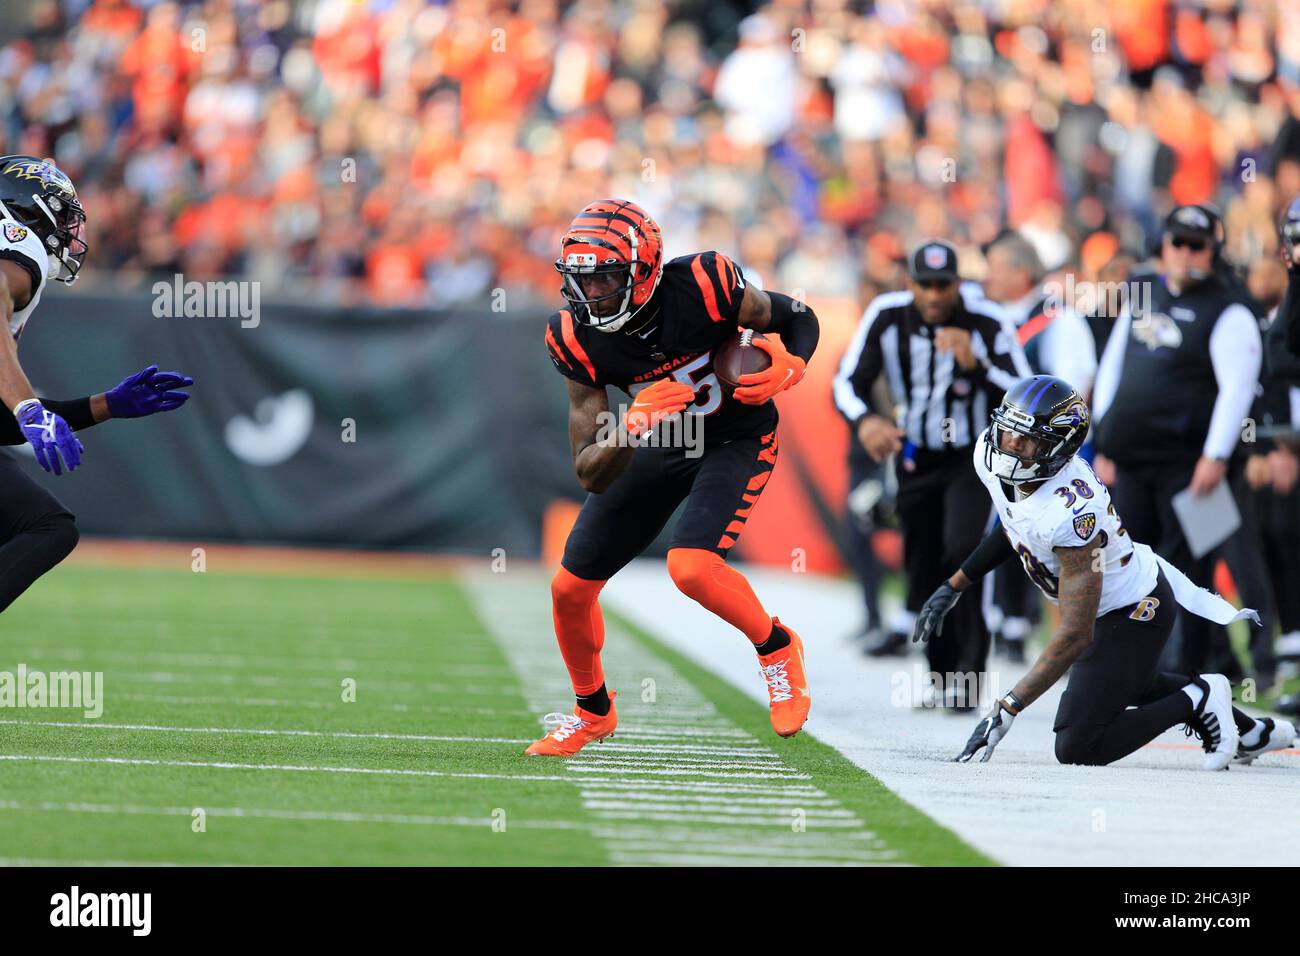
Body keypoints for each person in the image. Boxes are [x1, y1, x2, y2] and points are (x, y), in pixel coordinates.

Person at [529, 199, 820, 756]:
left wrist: (795, 364)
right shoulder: (572, 335)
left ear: (643, 273)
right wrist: (631, 426)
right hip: (662, 440)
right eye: (581, 281)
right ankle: (592, 714)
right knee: (569, 589)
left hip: (736, 435)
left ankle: (777, 646)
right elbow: (589, 470)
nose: (591, 295)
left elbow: (796, 317)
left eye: (606, 279)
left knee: (691, 568)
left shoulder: (705, 284)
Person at [913, 375, 1291, 768]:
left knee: (1078, 744)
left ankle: (1199, 698)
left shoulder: (1071, 512)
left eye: (1026, 441)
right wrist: (954, 585)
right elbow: (1014, 526)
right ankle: (1252, 732)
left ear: (1058, 448)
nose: (1010, 446)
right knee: (1132, 681)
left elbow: (1076, 633)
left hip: (1132, 610)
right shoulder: (993, 459)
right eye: (1008, 432)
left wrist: (1007, 707)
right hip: (1107, 609)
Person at [834, 239, 1030, 708]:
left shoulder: (987, 320)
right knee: (922, 565)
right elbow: (847, 381)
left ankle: (969, 678)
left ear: (959, 284)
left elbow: (1025, 391)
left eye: (944, 285)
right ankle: (942, 678)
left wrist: (976, 363)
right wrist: (866, 421)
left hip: (972, 460)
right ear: (911, 284)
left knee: (964, 551)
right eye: (926, 285)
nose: (936, 296)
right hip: (916, 457)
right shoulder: (887, 314)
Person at [0, 155, 193, 613]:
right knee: (47, 526)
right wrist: (28, 408)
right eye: (63, 214)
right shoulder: (16, 245)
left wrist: (105, 405)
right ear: (25, 209)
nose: (70, 231)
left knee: (48, 525)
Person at [1092, 204, 1262, 674]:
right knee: (1129, 567)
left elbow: (1238, 388)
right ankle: (1133, 673)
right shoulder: (1143, 290)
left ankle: (1199, 672)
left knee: (1195, 573)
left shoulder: (1230, 307)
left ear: (1213, 252)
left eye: (1196, 245)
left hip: (1192, 466)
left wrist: (1217, 455)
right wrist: (1104, 439)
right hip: (1132, 461)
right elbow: (1114, 367)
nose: (1184, 253)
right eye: (1176, 242)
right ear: (1163, 245)